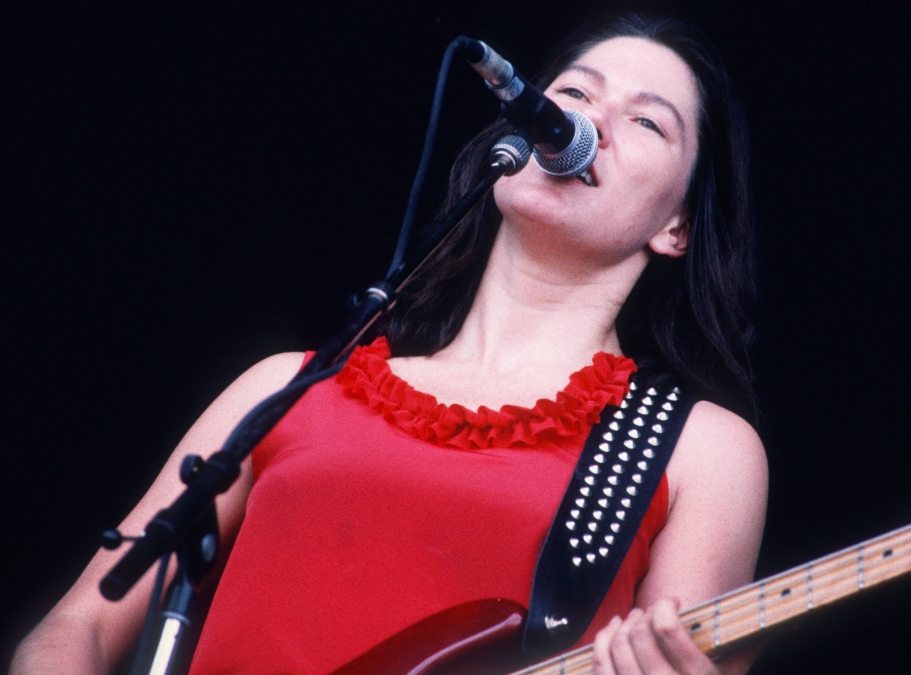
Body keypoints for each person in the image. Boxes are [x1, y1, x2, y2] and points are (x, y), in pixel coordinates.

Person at [11, 14, 768, 675]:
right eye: (574, 92)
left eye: (647, 122)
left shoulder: (698, 451)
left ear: (677, 227)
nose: (588, 122)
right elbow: (78, 628)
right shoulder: (288, 388)